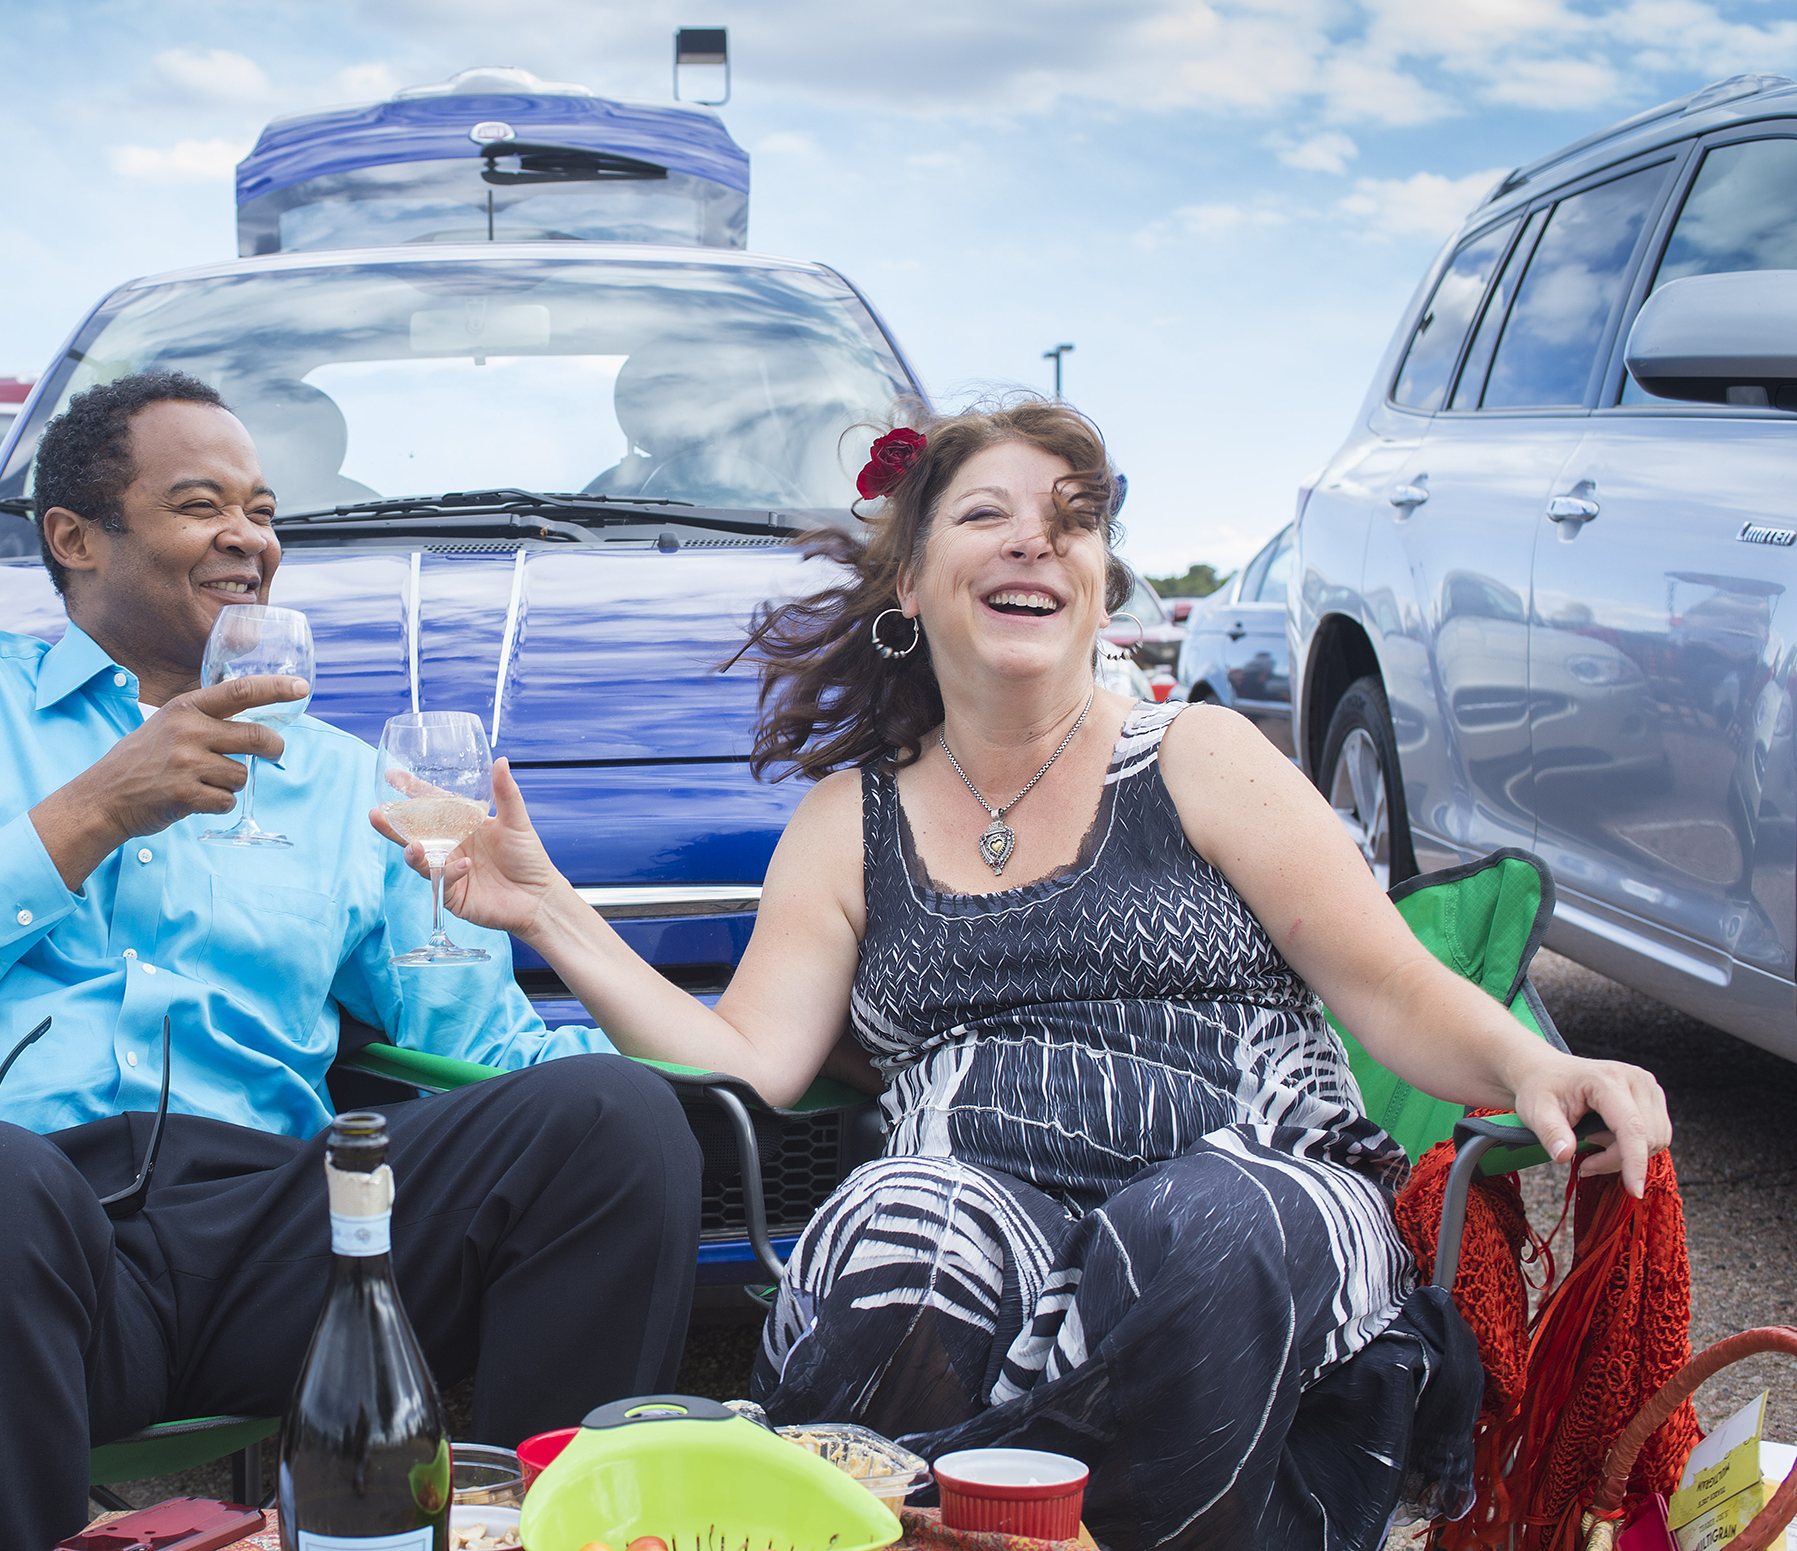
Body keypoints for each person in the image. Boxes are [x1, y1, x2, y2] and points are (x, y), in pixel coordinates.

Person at [376, 398, 1673, 1549]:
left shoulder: (1197, 759)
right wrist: (549, 910)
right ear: (909, 584)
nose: (1033, 540)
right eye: (985, 513)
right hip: (975, 1186)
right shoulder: (849, 821)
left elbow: (1389, 988)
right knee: (896, 1240)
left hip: (1253, 1175)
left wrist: (1536, 1061)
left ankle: (913, 1511)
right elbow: (751, 1058)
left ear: (1100, 586)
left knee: (1193, 1235)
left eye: (1069, 522)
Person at [0, 371, 700, 1551]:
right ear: (75, 537)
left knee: (610, 1119)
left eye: (262, 511)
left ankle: (526, 1534)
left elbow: (483, 1052)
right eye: (201, 504)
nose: (247, 539)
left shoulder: (341, 778)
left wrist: (547, 945)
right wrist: (92, 813)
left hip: (271, 1233)